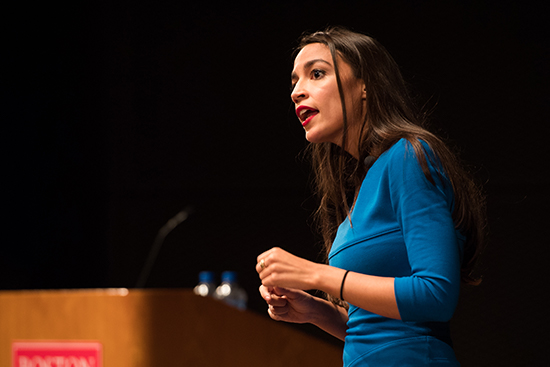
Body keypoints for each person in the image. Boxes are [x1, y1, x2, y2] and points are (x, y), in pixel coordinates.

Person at [255, 26, 486, 366]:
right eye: (294, 82)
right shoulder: (364, 183)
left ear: (365, 85)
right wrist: (316, 311)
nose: (297, 92)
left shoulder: (408, 156)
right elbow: (376, 329)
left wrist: (316, 275)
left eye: (316, 74)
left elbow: (436, 295)